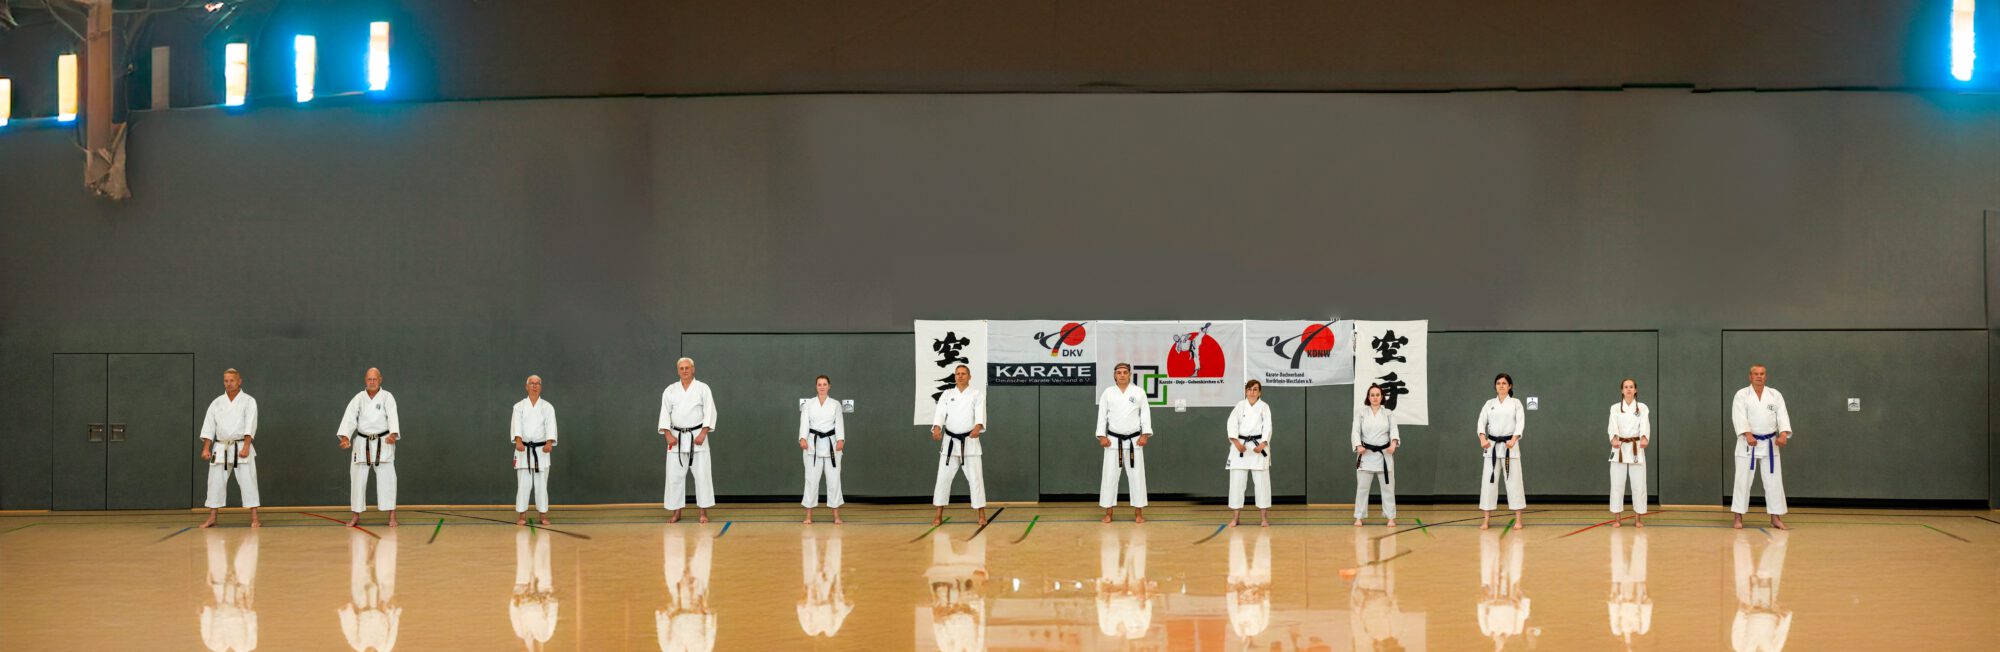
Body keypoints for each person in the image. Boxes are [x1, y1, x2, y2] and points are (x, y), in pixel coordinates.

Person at [1730, 364, 1793, 530]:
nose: (1759, 376)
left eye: (1762, 374)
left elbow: (1782, 415)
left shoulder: (1775, 395)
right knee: (1742, 481)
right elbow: (1739, 416)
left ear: (1766, 376)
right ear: (1750, 377)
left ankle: (1775, 518)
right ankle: (1738, 517)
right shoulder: (1742, 395)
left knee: (1774, 482)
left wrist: (1783, 434)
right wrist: (1747, 434)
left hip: (1770, 444)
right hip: (1747, 444)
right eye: (1755, 374)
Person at [337, 367, 402, 527]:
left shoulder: (387, 397)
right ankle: (355, 516)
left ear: (380, 379)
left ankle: (392, 516)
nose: (372, 382)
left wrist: (393, 434)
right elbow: (350, 418)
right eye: (369, 379)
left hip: (383, 441)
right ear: (365, 380)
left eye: (374, 379)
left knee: (388, 480)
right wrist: (345, 436)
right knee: (357, 480)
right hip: (362, 442)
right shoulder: (358, 398)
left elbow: (393, 416)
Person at [658, 358, 719, 524]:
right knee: (674, 476)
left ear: (693, 370)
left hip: (697, 437)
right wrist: (667, 435)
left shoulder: (702, 388)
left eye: (687, 368)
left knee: (702, 475)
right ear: (678, 371)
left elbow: (710, 412)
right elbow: (664, 414)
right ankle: (676, 512)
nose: (684, 371)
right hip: (676, 438)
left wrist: (703, 433)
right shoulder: (670, 390)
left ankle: (703, 513)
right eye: (681, 368)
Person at [199, 368, 261, 529]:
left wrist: (246, 446)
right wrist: (206, 448)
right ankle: (212, 517)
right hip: (220, 447)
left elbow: (250, 424)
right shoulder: (217, 402)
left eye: (232, 380)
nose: (228, 383)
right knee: (215, 482)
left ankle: (255, 517)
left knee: (249, 480)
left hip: (241, 445)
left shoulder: (249, 401)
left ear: (239, 381)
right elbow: (209, 426)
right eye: (226, 381)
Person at [930, 364, 988, 526]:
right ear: (955, 376)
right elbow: (940, 412)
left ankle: (981, 514)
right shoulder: (947, 394)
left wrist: (977, 427)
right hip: (950, 443)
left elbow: (980, 414)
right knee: (942, 479)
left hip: (969, 442)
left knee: (976, 479)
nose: (960, 376)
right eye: (957, 374)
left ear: (969, 376)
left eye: (963, 373)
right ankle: (938, 514)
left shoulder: (976, 394)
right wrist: (937, 427)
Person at [1096, 362, 1154, 523]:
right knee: (1109, 477)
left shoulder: (1138, 392)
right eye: (1119, 372)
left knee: (1137, 477)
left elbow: (1145, 415)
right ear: (1115, 375)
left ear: (1130, 375)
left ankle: (1138, 513)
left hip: (1135, 441)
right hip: (1113, 441)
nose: (1122, 375)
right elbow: (1102, 416)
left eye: (1125, 372)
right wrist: (1101, 436)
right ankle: (1108, 513)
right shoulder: (1108, 393)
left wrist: (1145, 434)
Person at [1477, 373, 1527, 530]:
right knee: (1488, 483)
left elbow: (1520, 423)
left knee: (1514, 483)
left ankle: (1518, 519)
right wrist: (1482, 439)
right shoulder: (1489, 403)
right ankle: (1486, 520)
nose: (1501, 385)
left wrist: (1514, 439)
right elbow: (1481, 422)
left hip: (1509, 447)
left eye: (1504, 383)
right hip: (1491, 447)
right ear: (1495, 386)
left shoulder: (1516, 403)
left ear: (1510, 386)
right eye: (1498, 383)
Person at [1226, 379, 1274, 528]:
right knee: (1236, 484)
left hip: (1258, 447)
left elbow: (1268, 426)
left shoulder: (1264, 407)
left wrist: (1263, 443)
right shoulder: (1239, 406)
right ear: (1246, 391)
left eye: (1255, 389)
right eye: (1249, 389)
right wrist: (1236, 443)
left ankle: (1264, 518)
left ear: (1259, 392)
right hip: (1241, 447)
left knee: (1262, 484)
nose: (1252, 392)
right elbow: (1231, 424)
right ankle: (1235, 518)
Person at [799, 375, 846, 524]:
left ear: (829, 386)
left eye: (824, 384)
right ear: (816, 386)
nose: (822, 387)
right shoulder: (809, 404)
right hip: (813, 445)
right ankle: (808, 515)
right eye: (819, 384)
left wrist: (840, 440)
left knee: (834, 481)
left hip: (832, 445)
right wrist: (802, 438)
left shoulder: (835, 404)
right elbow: (804, 422)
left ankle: (836, 515)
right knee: (811, 481)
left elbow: (839, 422)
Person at [1352, 383, 1401, 527]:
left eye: (1377, 395)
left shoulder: (1388, 413)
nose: (1375, 398)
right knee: (1362, 488)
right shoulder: (1361, 412)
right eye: (1372, 395)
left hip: (1384, 455)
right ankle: (1359, 517)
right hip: (1366, 455)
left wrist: (1393, 443)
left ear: (1382, 397)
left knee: (1388, 488)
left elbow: (1394, 430)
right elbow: (1355, 431)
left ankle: (1391, 517)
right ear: (1368, 397)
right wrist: (1358, 445)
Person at [512, 375, 558, 526]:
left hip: (541, 450)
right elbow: (516, 425)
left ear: (541, 387)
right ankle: (522, 515)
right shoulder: (518, 406)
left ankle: (543, 515)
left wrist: (549, 442)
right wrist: (518, 440)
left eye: (537, 383)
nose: (534, 385)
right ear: (526, 386)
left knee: (541, 485)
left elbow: (551, 426)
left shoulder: (547, 407)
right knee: (523, 484)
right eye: (531, 383)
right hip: (523, 449)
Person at [1608, 378, 1651, 527]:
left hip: (1636, 448)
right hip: (1619, 447)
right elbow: (1612, 425)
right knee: (1617, 484)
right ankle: (1617, 519)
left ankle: (1638, 519)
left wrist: (1644, 437)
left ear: (1635, 390)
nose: (1628, 389)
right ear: (1622, 390)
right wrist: (1613, 437)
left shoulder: (1642, 408)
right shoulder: (1614, 408)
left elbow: (1645, 423)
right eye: (1626, 387)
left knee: (1639, 484)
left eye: (1631, 387)